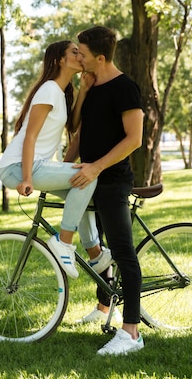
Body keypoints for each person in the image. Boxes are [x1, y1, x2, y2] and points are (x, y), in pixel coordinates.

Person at [0, 40, 113, 279]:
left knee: (80, 193)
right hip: (18, 166)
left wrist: (83, 91)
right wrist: (27, 178)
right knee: (87, 175)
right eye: (74, 52)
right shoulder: (49, 89)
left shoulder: (60, 93)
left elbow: (71, 125)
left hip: (34, 164)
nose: (80, 55)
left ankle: (95, 254)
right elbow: (29, 137)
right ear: (60, 60)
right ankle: (64, 241)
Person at [68, 26, 145, 355]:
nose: (77, 57)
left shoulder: (125, 88)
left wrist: (97, 166)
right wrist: (60, 166)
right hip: (89, 177)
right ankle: (103, 308)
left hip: (112, 180)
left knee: (123, 252)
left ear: (100, 57)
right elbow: (78, 134)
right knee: (96, 247)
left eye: (82, 54)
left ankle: (131, 334)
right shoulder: (92, 85)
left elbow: (134, 138)